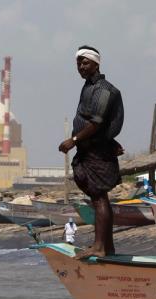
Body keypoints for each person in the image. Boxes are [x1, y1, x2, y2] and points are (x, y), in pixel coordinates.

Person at [59, 45, 124, 258]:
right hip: (89, 151)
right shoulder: (88, 87)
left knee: (99, 197)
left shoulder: (104, 89)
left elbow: (97, 122)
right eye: (78, 63)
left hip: (98, 152)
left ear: (96, 64)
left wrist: (73, 140)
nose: (80, 67)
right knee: (97, 197)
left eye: (85, 62)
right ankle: (107, 247)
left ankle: (100, 247)